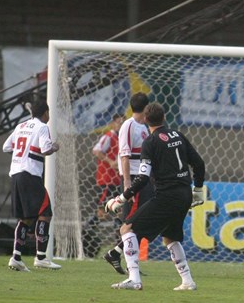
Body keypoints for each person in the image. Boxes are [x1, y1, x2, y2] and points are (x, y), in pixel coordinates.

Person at [105, 102, 205, 291]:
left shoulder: (150, 143)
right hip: (184, 194)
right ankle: (187, 280)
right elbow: (199, 163)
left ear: (144, 120)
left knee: (127, 228)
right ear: (164, 117)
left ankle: (134, 279)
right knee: (170, 237)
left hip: (166, 196)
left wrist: (121, 198)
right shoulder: (178, 135)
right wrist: (198, 190)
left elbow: (142, 178)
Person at [2, 99, 61, 271]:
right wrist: (54, 146)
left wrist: (23, 149)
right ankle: (41, 257)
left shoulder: (20, 126)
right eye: (48, 113)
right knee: (45, 212)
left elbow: (6, 147)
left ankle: (16, 257)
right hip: (30, 175)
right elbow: (45, 150)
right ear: (45, 113)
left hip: (15, 175)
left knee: (26, 218)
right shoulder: (42, 127)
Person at [102, 93, 154, 275]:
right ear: (145, 108)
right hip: (134, 178)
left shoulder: (143, 127)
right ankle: (127, 262)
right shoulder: (128, 125)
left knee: (141, 221)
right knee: (132, 222)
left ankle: (116, 254)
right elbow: (124, 155)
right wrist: (127, 184)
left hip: (144, 177)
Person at [82, 113, 124, 259]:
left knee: (119, 211)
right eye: (118, 122)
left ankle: (118, 245)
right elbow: (96, 150)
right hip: (107, 179)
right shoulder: (109, 136)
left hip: (117, 180)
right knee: (103, 212)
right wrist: (110, 162)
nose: (120, 125)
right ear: (113, 124)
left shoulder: (122, 138)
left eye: (122, 123)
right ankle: (85, 235)